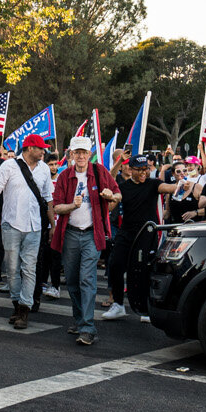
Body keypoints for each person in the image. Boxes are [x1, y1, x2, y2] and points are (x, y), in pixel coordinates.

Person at [49, 137, 118, 345]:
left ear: (90, 155)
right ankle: (79, 320)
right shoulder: (64, 176)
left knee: (87, 279)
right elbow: (57, 208)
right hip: (69, 233)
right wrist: (72, 205)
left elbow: (118, 194)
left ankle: (88, 327)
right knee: (71, 280)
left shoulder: (99, 172)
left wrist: (110, 195)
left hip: (91, 234)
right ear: (71, 154)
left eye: (84, 153)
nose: (80, 156)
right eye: (76, 152)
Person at [0, 133, 53, 330]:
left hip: (35, 227)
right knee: (13, 269)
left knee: (29, 268)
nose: (44, 151)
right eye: (41, 148)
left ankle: (24, 308)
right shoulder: (9, 166)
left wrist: (52, 225)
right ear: (29, 148)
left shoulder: (44, 169)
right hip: (11, 224)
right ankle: (17, 304)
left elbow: (48, 198)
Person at [102, 154, 163, 322]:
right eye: (140, 170)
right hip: (126, 232)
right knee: (115, 266)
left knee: (141, 271)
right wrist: (119, 161)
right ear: (131, 169)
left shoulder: (153, 184)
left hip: (146, 234)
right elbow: (109, 180)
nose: (144, 173)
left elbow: (167, 187)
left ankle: (144, 309)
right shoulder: (124, 186)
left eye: (146, 169)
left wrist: (182, 185)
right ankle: (118, 305)